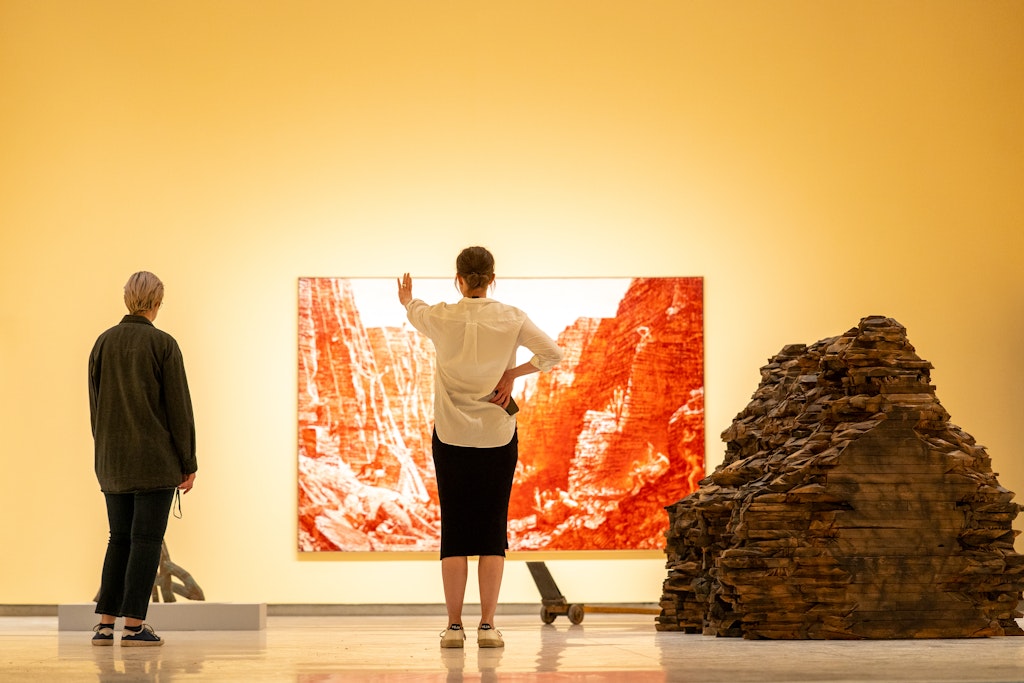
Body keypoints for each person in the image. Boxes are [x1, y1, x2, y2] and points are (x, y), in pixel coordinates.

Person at [398, 246, 563, 648]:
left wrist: (407, 299)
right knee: (492, 530)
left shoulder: (440, 316)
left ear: (458, 279)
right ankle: (487, 627)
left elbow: (415, 310)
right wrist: (512, 374)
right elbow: (552, 354)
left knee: (454, 530)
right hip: (497, 436)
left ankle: (454, 628)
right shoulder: (511, 317)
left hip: (450, 436)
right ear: (492, 279)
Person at [88, 272, 198, 647]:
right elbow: (179, 409)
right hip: (154, 463)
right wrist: (188, 461)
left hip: (112, 462)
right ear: (157, 302)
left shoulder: (103, 342)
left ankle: (105, 624)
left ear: (127, 299)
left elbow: (95, 406)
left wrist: (105, 452)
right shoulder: (163, 344)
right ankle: (134, 626)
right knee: (146, 541)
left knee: (118, 539)